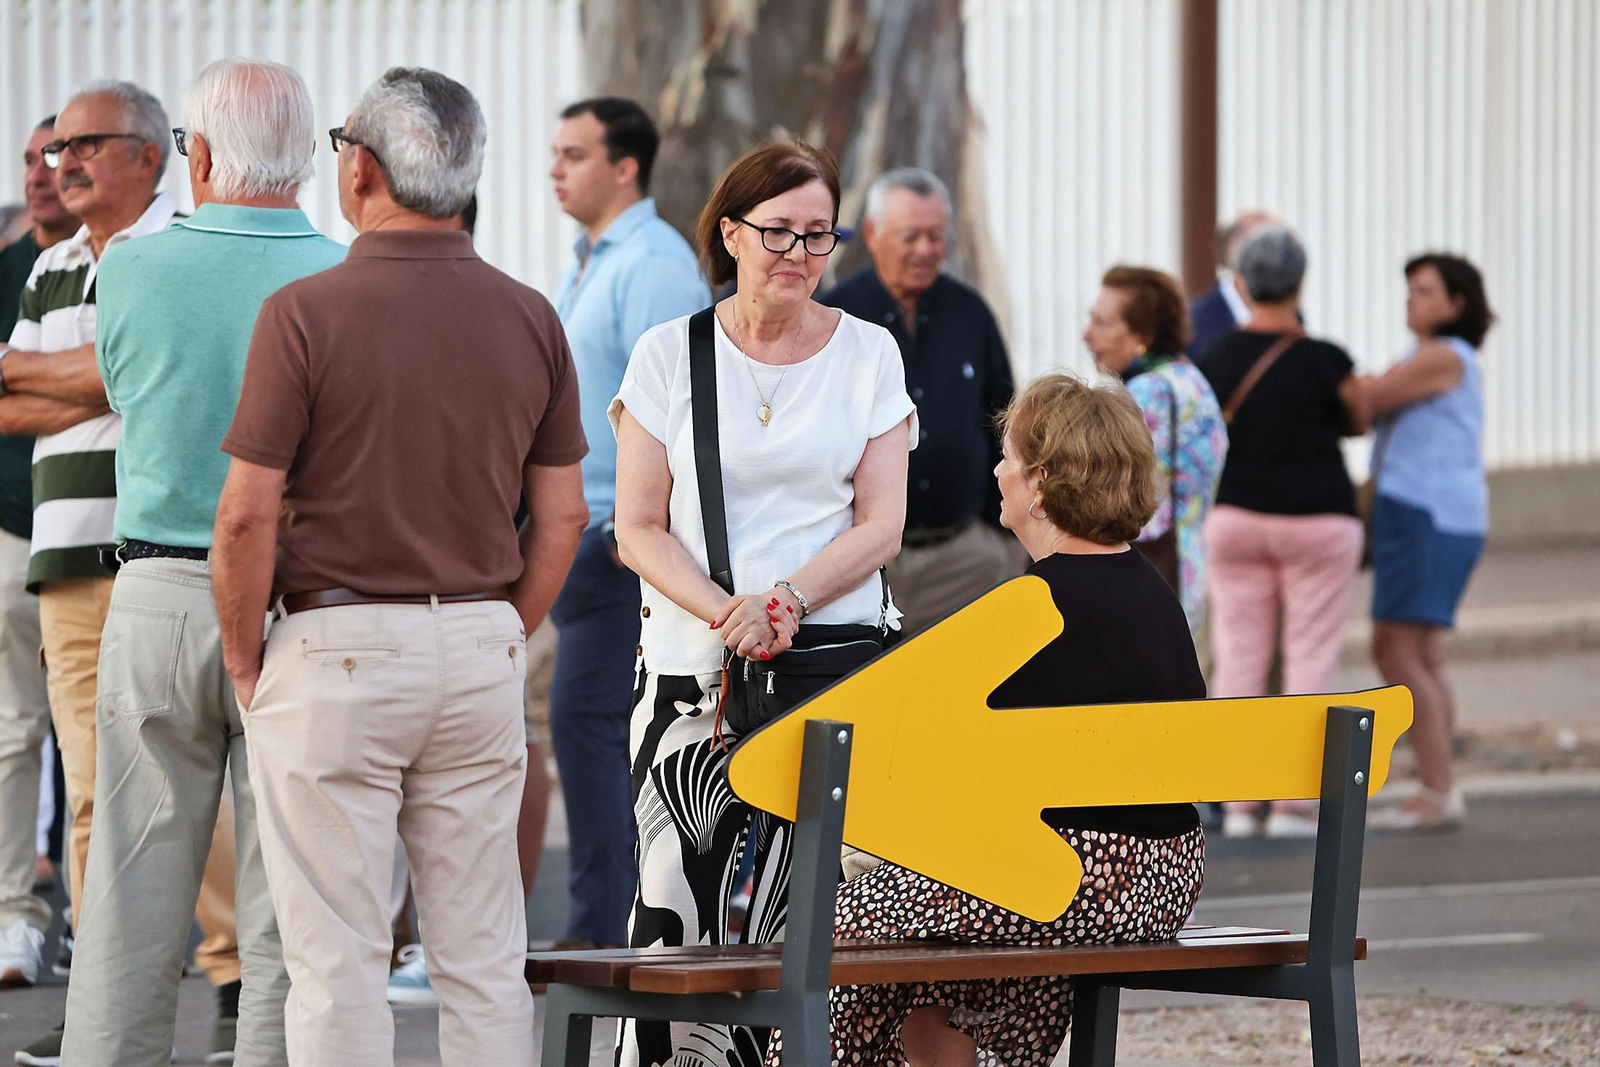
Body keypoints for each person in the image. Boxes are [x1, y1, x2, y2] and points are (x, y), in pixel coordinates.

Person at [212, 67, 588, 1066]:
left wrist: (246, 656)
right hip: (474, 640)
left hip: (331, 640)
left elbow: (247, 513)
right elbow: (563, 513)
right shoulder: (530, 315)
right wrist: (506, 619)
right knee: (481, 953)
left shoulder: (304, 313)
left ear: (362, 168)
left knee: (338, 960)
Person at [770, 372, 1205, 1067]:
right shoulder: (1152, 594)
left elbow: (952, 764)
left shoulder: (1032, 611)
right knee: (956, 935)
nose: (996, 471)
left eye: (1006, 456)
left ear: (1039, 482)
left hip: (1074, 878)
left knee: (842, 924)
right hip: (1164, 878)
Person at [57, 60, 345, 1067]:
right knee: (285, 896)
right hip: (304, 605)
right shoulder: (344, 277)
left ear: (203, 154)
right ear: (309, 159)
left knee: (132, 890)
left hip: (159, 591)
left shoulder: (132, 268)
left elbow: (125, 392)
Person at [610, 141, 914, 1067]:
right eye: (776, 230)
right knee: (676, 896)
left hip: (832, 662)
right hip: (692, 669)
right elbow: (638, 526)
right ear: (730, 233)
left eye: (818, 234)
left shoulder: (868, 351)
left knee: (818, 908)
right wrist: (728, 614)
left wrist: (783, 599)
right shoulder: (670, 353)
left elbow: (882, 523)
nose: (797, 252)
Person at [4, 82, 247, 1067]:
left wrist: (74, 376)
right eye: (55, 149)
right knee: (101, 791)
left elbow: (129, 375)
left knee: (210, 786)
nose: (62, 163)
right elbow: (13, 402)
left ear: (149, 153)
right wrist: (95, 378)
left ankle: (234, 984)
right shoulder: (51, 264)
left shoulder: (180, 254)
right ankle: (111, 1001)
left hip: (165, 555)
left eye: (84, 145)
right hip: (67, 558)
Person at [545, 95, 708, 952]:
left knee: (594, 728)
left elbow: (674, 415)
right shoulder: (591, 259)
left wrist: (629, 537)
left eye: (573, 154)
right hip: (579, 535)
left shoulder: (650, 264)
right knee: (582, 728)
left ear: (625, 167)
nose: (554, 169)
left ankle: (603, 933)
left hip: (619, 542)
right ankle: (604, 927)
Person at [1198, 226, 1368, 839]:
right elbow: (1359, 416)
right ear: (1299, 283)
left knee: (1239, 661)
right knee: (1310, 660)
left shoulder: (1216, 358)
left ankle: (1240, 806)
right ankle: (1294, 806)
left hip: (1237, 517)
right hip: (1319, 521)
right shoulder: (1327, 358)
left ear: (1241, 285)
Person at [819, 167, 1015, 635]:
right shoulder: (835, 317)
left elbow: (1005, 419)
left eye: (936, 236)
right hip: (862, 567)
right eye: (911, 236)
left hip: (965, 559)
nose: (926, 250)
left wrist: (1001, 538)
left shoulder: (971, 312)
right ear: (872, 234)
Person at [1361, 254, 1493, 832]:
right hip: (1425, 512)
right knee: (1422, 651)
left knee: (1397, 649)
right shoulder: (1427, 358)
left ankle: (1437, 790)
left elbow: (1368, 400)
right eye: (1409, 289)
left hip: (1427, 513)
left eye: (1424, 290)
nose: (1410, 299)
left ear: (1456, 304)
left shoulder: (1444, 357)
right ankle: (1438, 785)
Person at [0, 116, 77, 992]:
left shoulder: (128, 265)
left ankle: (110, 928)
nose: (42, 174)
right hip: (14, 531)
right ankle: (16, 919)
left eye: (59, 157)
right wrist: (86, 387)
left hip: (106, 541)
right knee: (14, 734)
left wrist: (22, 374)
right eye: (31, 158)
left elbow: (131, 384)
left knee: (114, 746)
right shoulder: (8, 271)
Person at [1084, 265, 1227, 632]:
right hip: (1188, 567)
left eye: (1102, 323)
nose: (1087, 335)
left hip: (1143, 575)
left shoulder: (1146, 394)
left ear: (1142, 336)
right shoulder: (1193, 380)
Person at [1186, 210, 1275, 362]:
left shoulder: (1290, 316)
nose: (1277, 255)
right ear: (1234, 248)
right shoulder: (1194, 320)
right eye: (1265, 244)